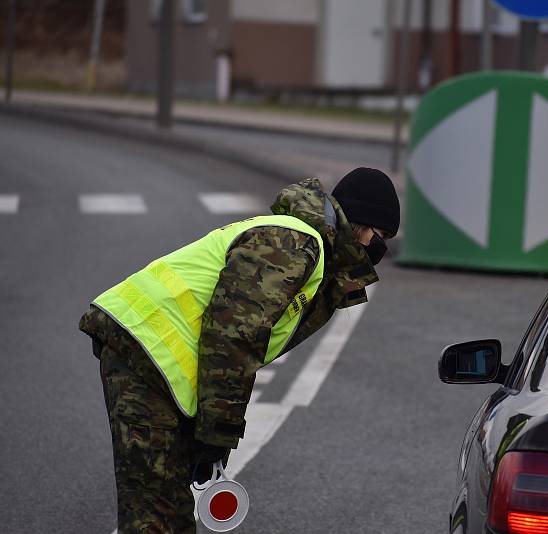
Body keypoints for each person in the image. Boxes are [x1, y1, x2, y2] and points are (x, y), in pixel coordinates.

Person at [78, 168, 400, 533]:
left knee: (166, 507)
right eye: (380, 234)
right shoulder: (293, 244)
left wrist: (208, 432)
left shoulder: (306, 248)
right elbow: (233, 338)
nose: (380, 246)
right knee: (155, 515)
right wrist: (216, 435)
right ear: (359, 222)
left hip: (154, 360)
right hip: (143, 350)